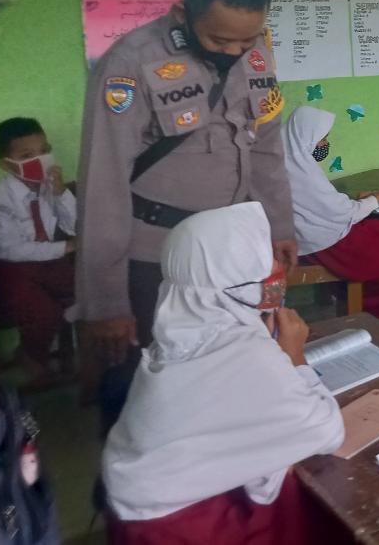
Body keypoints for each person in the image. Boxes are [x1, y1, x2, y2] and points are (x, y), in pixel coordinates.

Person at [77, 0, 296, 432]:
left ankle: (218, 486)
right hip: (157, 257)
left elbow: (266, 146)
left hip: (234, 255)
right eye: (220, 39)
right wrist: (105, 301)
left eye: (248, 40)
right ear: (183, 13)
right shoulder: (131, 64)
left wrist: (279, 224)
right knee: (151, 387)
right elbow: (103, 182)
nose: (236, 52)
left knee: (229, 373)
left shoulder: (256, 53)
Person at [101, 202, 346, 545]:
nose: (277, 266)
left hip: (141, 509)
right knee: (321, 511)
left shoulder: (179, 332)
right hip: (179, 527)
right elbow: (326, 430)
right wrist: (295, 357)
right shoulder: (245, 351)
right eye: (264, 255)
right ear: (232, 276)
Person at [282, 106, 379, 318]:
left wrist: (367, 199)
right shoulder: (301, 171)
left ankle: (353, 293)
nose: (324, 144)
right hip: (327, 241)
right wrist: (377, 198)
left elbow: (323, 205)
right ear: (306, 137)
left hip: (325, 229)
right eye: (322, 139)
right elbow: (340, 212)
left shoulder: (292, 160)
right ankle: (362, 311)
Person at [0, 117, 77, 386]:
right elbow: (11, 249)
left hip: (46, 259)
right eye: (27, 155)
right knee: (41, 311)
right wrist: (66, 247)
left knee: (84, 288)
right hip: (10, 266)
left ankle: (74, 358)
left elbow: (72, 225)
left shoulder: (50, 187)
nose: (40, 159)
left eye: (44, 150)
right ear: (6, 164)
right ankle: (31, 356)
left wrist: (61, 194)